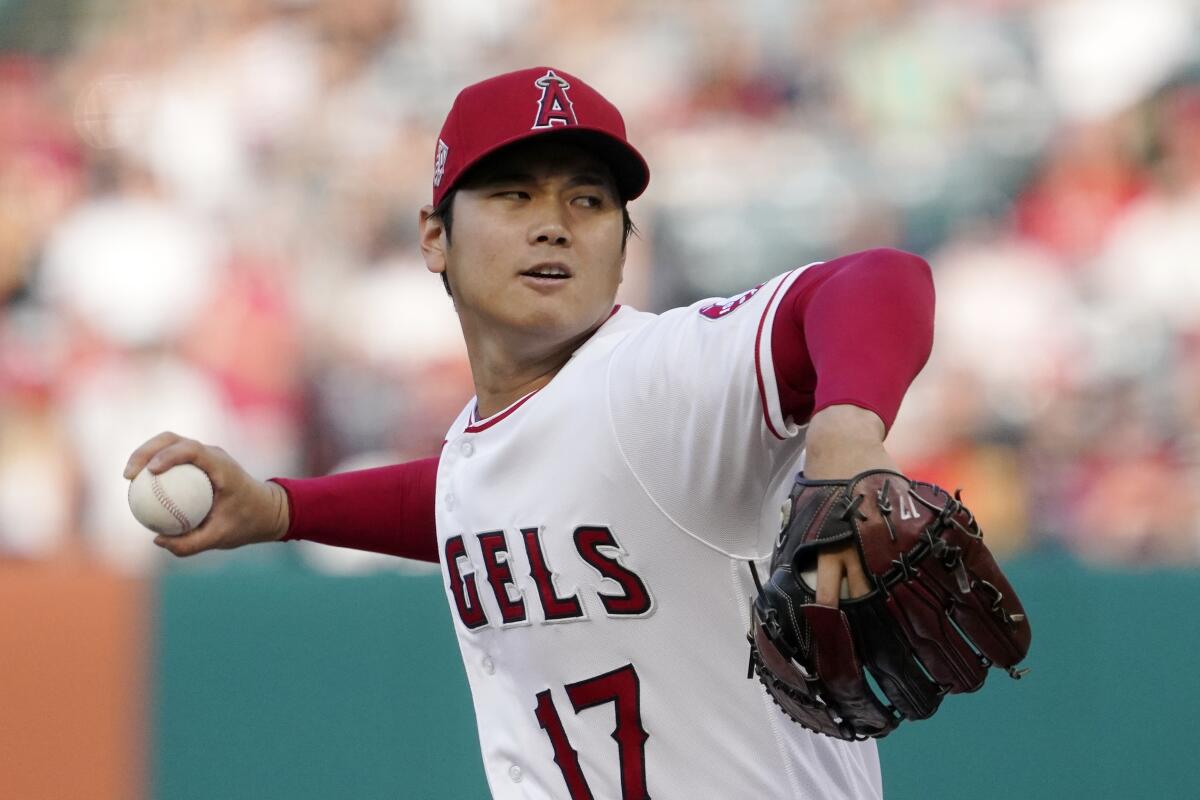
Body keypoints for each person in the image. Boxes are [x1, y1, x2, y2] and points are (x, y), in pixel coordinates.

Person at [125, 66, 935, 799]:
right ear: (434, 235)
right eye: (515, 194)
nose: (555, 225)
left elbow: (879, 278)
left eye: (588, 200)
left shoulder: (658, 375)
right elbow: (462, 496)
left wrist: (846, 430)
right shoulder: (501, 436)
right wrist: (281, 509)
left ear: (624, 244)